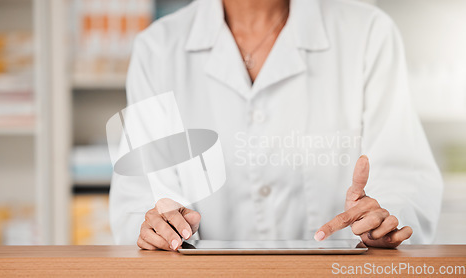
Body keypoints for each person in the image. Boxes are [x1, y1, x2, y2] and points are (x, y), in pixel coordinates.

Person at [109, 0, 443, 251]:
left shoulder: (368, 32)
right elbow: (142, 194)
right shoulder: (156, 49)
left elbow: (404, 175)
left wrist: (382, 219)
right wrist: (158, 227)